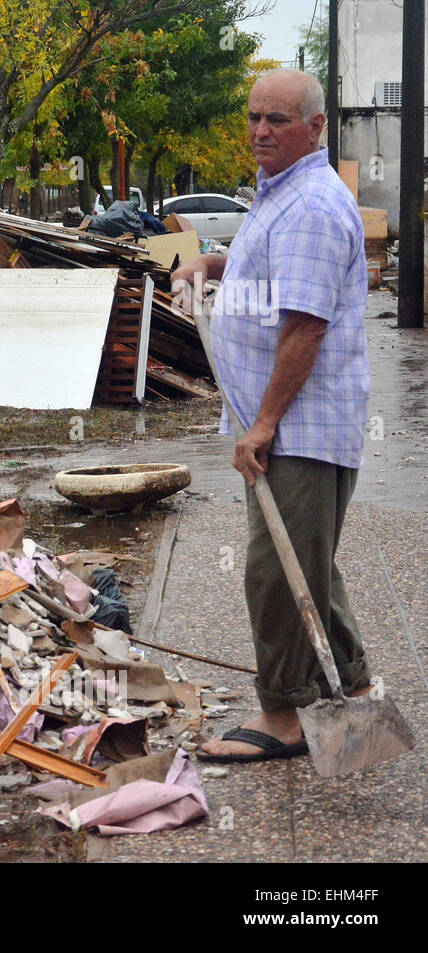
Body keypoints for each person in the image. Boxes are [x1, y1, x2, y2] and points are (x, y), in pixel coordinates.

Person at [172, 69, 372, 763]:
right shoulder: (284, 196)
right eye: (255, 117)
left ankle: (283, 716)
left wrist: (262, 425)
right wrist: (217, 263)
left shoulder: (312, 205)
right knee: (305, 565)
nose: (261, 130)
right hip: (287, 424)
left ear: (314, 128)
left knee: (274, 568)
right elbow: (276, 273)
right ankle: (351, 687)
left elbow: (305, 329)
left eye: (278, 120)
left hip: (300, 426)